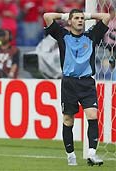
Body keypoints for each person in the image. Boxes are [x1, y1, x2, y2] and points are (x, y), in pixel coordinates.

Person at [43, 9, 110, 166]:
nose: (80, 20)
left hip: (87, 82)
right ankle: (70, 155)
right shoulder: (62, 35)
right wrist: (64, 16)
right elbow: (47, 16)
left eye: (82, 18)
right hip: (69, 83)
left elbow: (107, 16)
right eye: (77, 18)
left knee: (92, 116)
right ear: (70, 21)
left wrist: (88, 16)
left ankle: (92, 154)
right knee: (68, 119)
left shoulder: (91, 35)